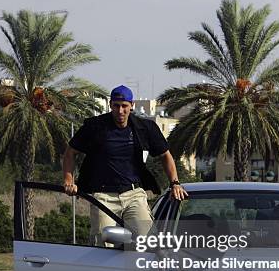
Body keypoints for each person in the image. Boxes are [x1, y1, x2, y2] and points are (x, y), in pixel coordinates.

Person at [62, 85, 188, 247]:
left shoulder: (145, 128)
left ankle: (136, 270)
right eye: (116, 106)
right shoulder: (95, 127)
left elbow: (166, 155)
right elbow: (70, 153)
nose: (120, 111)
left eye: (124, 106)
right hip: (103, 196)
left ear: (131, 105)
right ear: (110, 105)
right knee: (103, 243)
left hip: (133, 194)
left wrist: (175, 183)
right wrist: (68, 179)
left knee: (147, 241)